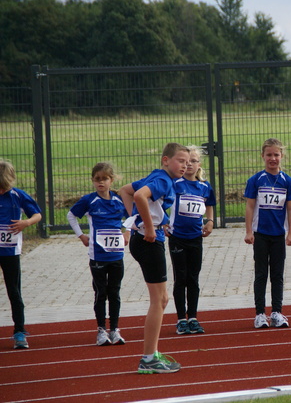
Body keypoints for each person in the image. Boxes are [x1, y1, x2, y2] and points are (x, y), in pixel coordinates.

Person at [120, 142, 189, 374]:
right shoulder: (162, 180)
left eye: (187, 162)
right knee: (158, 300)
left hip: (148, 239)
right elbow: (138, 195)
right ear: (165, 160)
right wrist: (148, 227)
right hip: (149, 242)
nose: (185, 165)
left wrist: (136, 220)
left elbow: (124, 190)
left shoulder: (159, 177)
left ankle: (152, 352)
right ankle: (148, 358)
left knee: (162, 299)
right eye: (180, 160)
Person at [67, 162, 129, 346]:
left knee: (115, 292)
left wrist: (127, 232)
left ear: (112, 180)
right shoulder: (89, 200)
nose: (101, 183)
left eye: (105, 179)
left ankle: (115, 329)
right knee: (101, 292)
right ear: (93, 181)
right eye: (97, 179)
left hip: (116, 255)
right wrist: (81, 236)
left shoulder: (119, 200)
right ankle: (101, 330)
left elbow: (133, 216)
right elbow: (71, 215)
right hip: (98, 256)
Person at [244, 138, 291, 329]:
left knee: (277, 274)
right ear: (262, 156)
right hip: (260, 234)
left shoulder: (287, 181)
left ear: (282, 156)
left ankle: (277, 312)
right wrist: (249, 231)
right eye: (269, 155)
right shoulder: (256, 180)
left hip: (278, 235)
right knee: (261, 274)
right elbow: (250, 206)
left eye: (276, 155)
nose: (273, 158)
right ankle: (260, 314)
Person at [168, 146, 216, 335]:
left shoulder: (204, 186)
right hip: (177, 237)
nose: (190, 165)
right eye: (186, 161)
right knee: (181, 278)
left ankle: (193, 317)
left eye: (194, 161)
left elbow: (210, 204)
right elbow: (161, 201)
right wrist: (163, 222)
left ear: (199, 165)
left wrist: (210, 221)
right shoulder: (175, 183)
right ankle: (181, 319)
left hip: (196, 237)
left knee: (193, 278)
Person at [0, 159, 42, 350]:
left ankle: (19, 331)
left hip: (10, 251)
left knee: (14, 291)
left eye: (3, 187)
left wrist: (26, 223)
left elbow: (37, 215)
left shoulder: (18, 195)